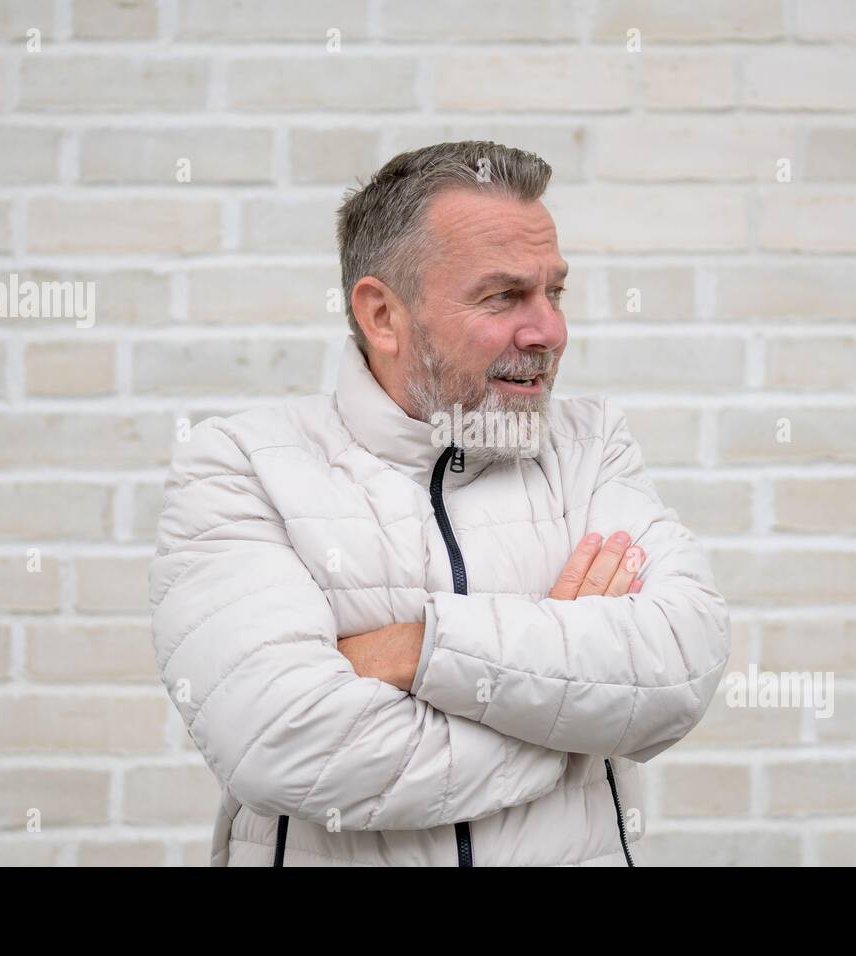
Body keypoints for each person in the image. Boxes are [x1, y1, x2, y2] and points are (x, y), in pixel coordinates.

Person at [148, 141, 731, 866]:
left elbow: (679, 669)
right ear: (382, 315)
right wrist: (572, 721)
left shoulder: (590, 446)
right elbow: (283, 744)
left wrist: (418, 648)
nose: (548, 331)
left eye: (554, 292)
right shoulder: (244, 466)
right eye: (503, 296)